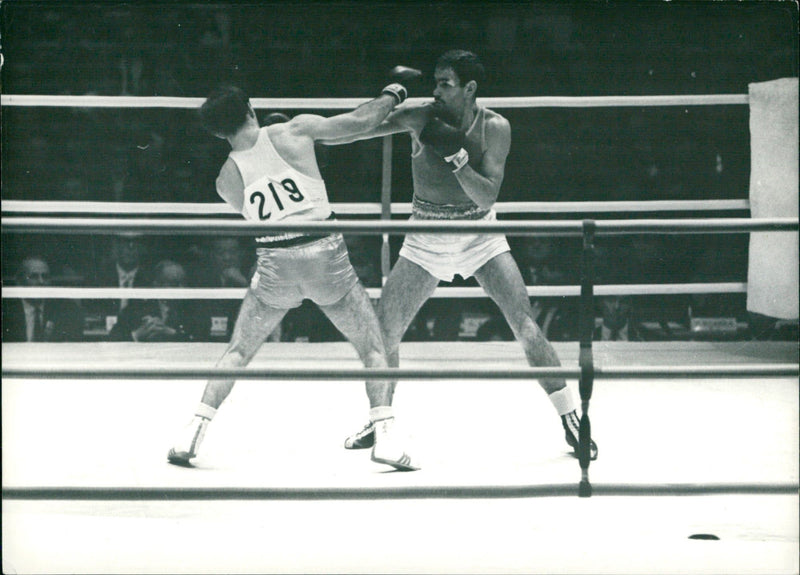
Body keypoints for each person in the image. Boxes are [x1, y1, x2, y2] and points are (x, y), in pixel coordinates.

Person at [326, 50, 597, 460]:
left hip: (480, 233)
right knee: (384, 334)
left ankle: (571, 419)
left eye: (445, 84)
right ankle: (380, 420)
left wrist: (455, 158)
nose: (435, 91)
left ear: (470, 89)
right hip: (426, 234)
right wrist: (391, 95)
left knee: (526, 326)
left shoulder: (495, 127)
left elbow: (487, 193)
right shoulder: (420, 117)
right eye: (434, 82)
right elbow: (352, 130)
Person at [168, 79, 418, 470]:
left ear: (218, 131)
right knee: (373, 347)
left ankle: (193, 431)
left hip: (274, 266)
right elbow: (359, 122)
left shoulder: (224, 180)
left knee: (238, 351)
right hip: (325, 257)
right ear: (250, 108)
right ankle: (385, 434)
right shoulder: (292, 130)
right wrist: (394, 92)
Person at [109, 259, 201, 342]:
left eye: (184, 283)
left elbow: (203, 337)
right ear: (157, 285)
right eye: (175, 284)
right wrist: (137, 334)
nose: (182, 289)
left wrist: (170, 332)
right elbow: (113, 338)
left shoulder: (194, 307)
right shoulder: (138, 306)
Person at [2, 255, 85, 342]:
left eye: (45, 277)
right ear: (19, 281)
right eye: (33, 276)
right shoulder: (6, 310)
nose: (41, 282)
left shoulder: (66, 309)